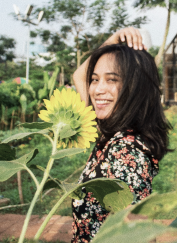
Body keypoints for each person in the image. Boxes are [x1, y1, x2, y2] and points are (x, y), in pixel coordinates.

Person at [71, 27, 171, 242]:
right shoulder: (111, 131)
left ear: (135, 87)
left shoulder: (126, 152)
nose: (97, 90)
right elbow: (79, 76)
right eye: (95, 79)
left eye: (112, 80)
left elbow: (138, 234)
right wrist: (114, 39)